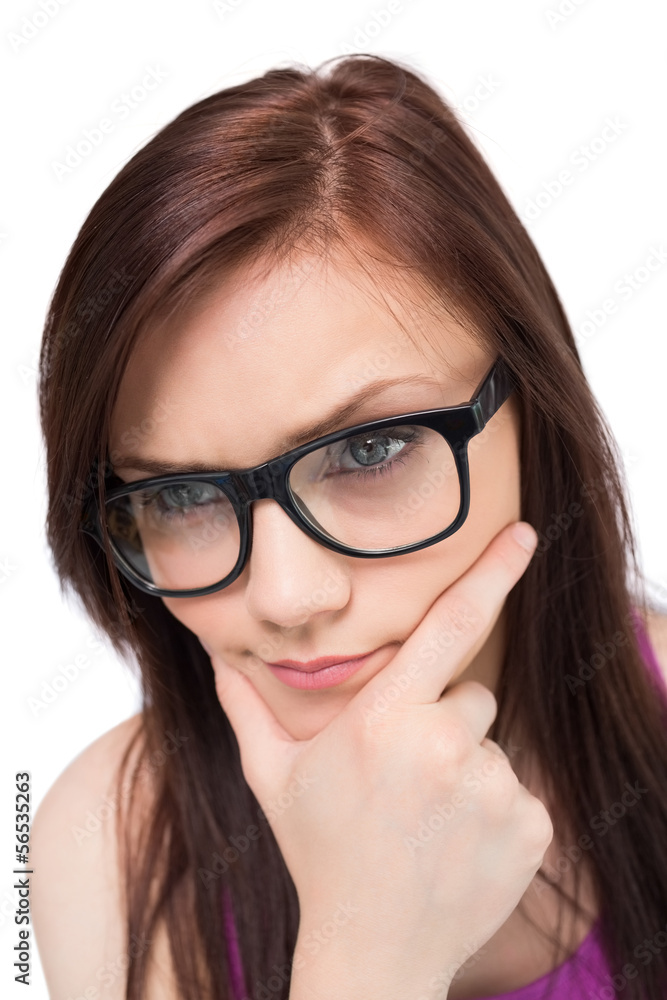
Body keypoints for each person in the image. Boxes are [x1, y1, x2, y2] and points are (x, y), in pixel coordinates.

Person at [30, 53, 667, 1000]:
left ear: (533, 412)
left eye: (369, 453)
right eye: (180, 497)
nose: (286, 597)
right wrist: (366, 957)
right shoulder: (105, 852)